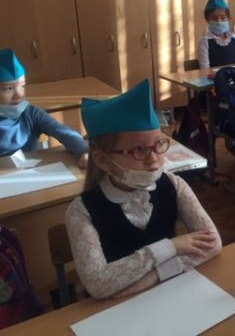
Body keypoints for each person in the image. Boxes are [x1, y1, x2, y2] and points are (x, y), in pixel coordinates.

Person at [65, 79, 221, 299]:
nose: (154, 159)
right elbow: (98, 284)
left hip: (171, 293)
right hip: (118, 308)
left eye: (159, 144)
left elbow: (213, 243)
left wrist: (156, 275)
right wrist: (170, 247)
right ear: (103, 161)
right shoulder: (81, 211)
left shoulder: (174, 184)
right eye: (139, 150)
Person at [0, 48, 88, 166]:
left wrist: (84, 150)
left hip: (30, 173)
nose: (19, 95)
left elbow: (63, 132)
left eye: (22, 86)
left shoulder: (30, 113)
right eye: (8, 89)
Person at [197, 0, 235, 69]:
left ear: (228, 18)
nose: (219, 21)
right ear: (207, 20)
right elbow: (205, 69)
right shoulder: (204, 42)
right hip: (214, 76)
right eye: (214, 18)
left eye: (223, 18)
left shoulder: (234, 39)